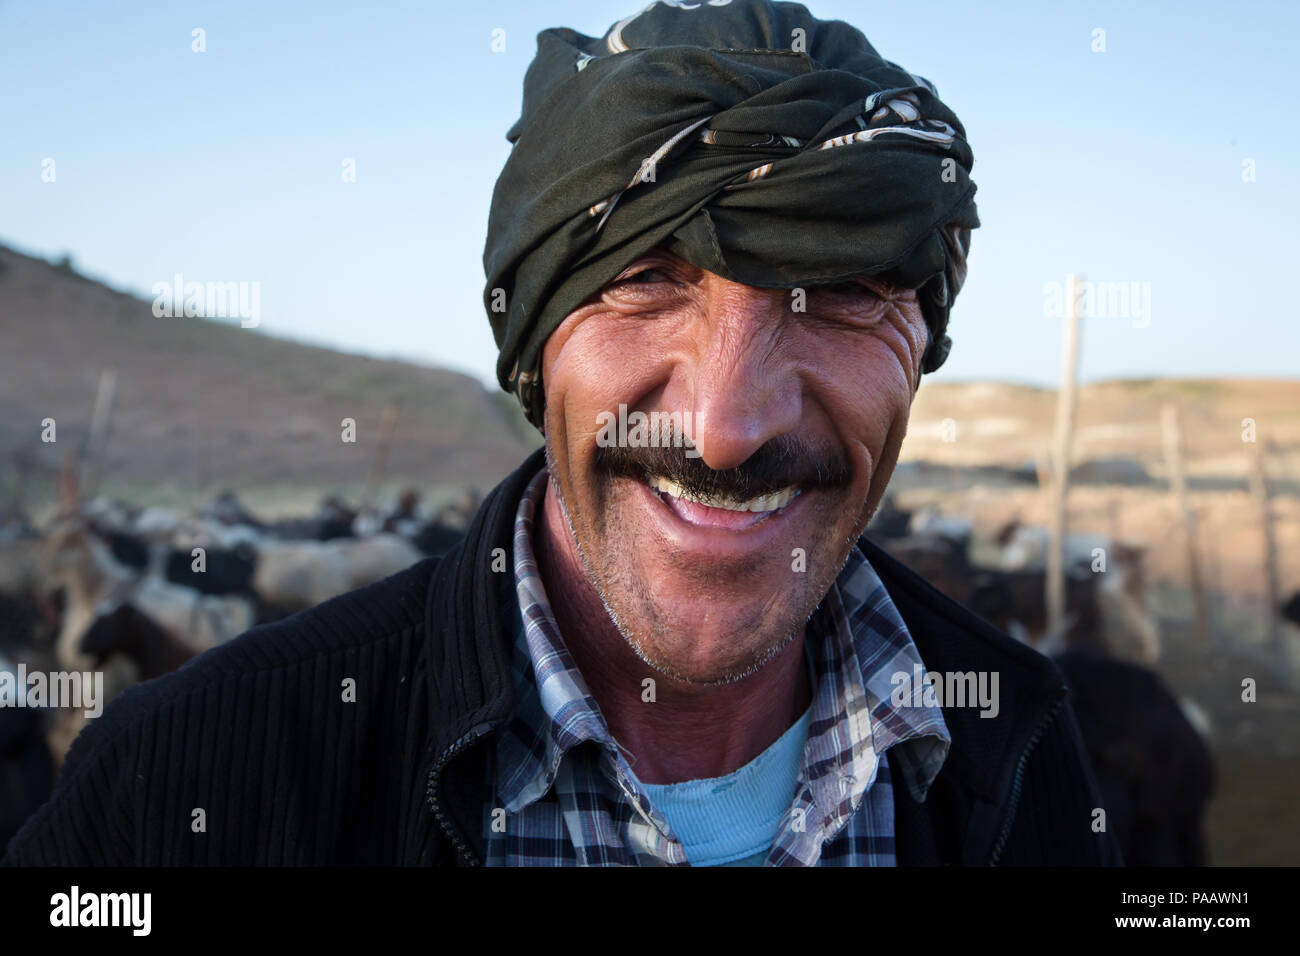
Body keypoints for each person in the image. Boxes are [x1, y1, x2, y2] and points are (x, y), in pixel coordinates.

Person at [3, 0, 1120, 867]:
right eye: (643, 280)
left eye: (839, 296)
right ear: (537, 347)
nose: (727, 429)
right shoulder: (188, 779)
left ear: (919, 348)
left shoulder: (1020, 741)